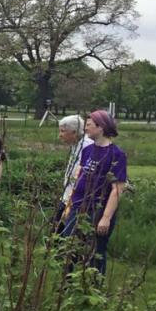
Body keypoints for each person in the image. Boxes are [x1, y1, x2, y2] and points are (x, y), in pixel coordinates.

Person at [59, 110, 127, 275]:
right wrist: (68, 205)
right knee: (69, 246)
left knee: (95, 250)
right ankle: (67, 286)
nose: (86, 129)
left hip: (97, 209)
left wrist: (105, 218)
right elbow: (79, 178)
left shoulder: (116, 154)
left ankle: (94, 287)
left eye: (89, 125)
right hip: (77, 206)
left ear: (101, 127)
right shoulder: (87, 150)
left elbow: (117, 189)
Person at [56, 115, 94, 223]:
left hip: (76, 199)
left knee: (64, 232)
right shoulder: (75, 145)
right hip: (67, 196)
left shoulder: (87, 146)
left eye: (63, 131)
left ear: (74, 132)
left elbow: (82, 175)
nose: (60, 135)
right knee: (56, 228)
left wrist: (70, 201)